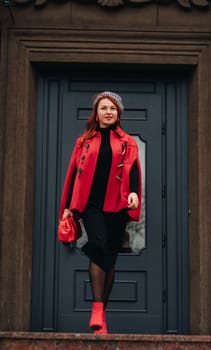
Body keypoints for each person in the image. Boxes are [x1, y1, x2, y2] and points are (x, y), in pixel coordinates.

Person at [59, 91, 142, 334]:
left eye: (112, 109)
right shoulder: (83, 141)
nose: (108, 112)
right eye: (103, 108)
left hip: (117, 205)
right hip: (91, 205)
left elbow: (133, 170)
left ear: (118, 114)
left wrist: (135, 192)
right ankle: (97, 307)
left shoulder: (128, 141)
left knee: (110, 257)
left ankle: (100, 316)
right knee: (98, 244)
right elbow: (73, 174)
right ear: (96, 113)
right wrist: (67, 207)